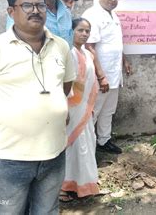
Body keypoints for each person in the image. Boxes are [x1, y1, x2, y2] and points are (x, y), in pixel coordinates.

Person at [0, 0, 76, 214]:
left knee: (47, 209)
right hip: (14, 154)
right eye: (27, 5)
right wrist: (10, 114)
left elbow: (63, 87)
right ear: (11, 11)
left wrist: (51, 109)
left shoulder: (62, 47)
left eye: (40, 5)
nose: (35, 10)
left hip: (54, 152)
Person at [82, 0, 132, 154]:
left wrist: (124, 60)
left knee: (108, 110)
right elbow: (88, 46)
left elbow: (115, 42)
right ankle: (86, 148)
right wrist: (101, 75)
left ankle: (104, 140)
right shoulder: (92, 15)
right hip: (100, 75)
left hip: (114, 73)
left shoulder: (114, 16)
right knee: (93, 111)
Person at [60, 18, 100, 202]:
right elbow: (65, 84)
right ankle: (64, 186)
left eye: (87, 31)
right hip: (72, 108)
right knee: (72, 146)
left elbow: (92, 82)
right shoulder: (68, 54)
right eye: (80, 30)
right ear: (72, 31)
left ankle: (83, 183)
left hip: (85, 108)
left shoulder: (87, 54)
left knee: (86, 144)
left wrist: (89, 106)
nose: (84, 34)